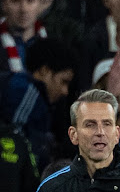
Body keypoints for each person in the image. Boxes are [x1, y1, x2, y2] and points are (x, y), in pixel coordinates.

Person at [0, 37, 74, 170]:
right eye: (64, 81)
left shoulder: (34, 97)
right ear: (44, 71)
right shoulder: (27, 92)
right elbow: (15, 139)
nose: (65, 91)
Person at [0, 0, 46, 72]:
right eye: (15, 1)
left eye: (30, 1)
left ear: (39, 4)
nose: (24, 9)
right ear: (4, 5)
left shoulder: (55, 43)